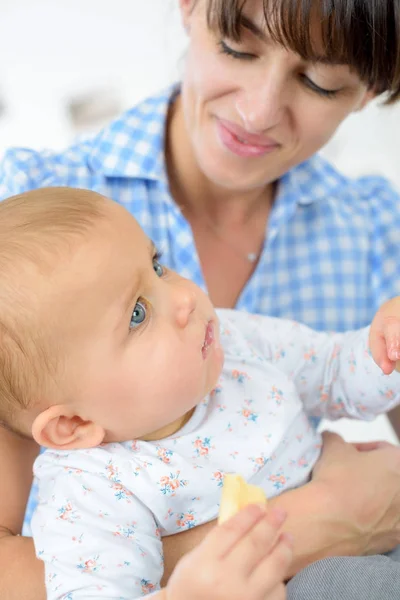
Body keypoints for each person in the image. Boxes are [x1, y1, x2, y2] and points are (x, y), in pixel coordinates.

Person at [2, 1, 400, 599]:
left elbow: (331, 367)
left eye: (319, 81)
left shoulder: (362, 235)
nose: (257, 111)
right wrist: (327, 516)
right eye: (237, 48)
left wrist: (381, 351)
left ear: (368, 89)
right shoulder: (26, 225)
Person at [1, 187, 400, 600]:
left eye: (156, 268)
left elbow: (333, 371)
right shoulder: (94, 492)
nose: (185, 298)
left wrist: (383, 349)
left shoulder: (233, 341)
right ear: (74, 424)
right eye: (138, 313)